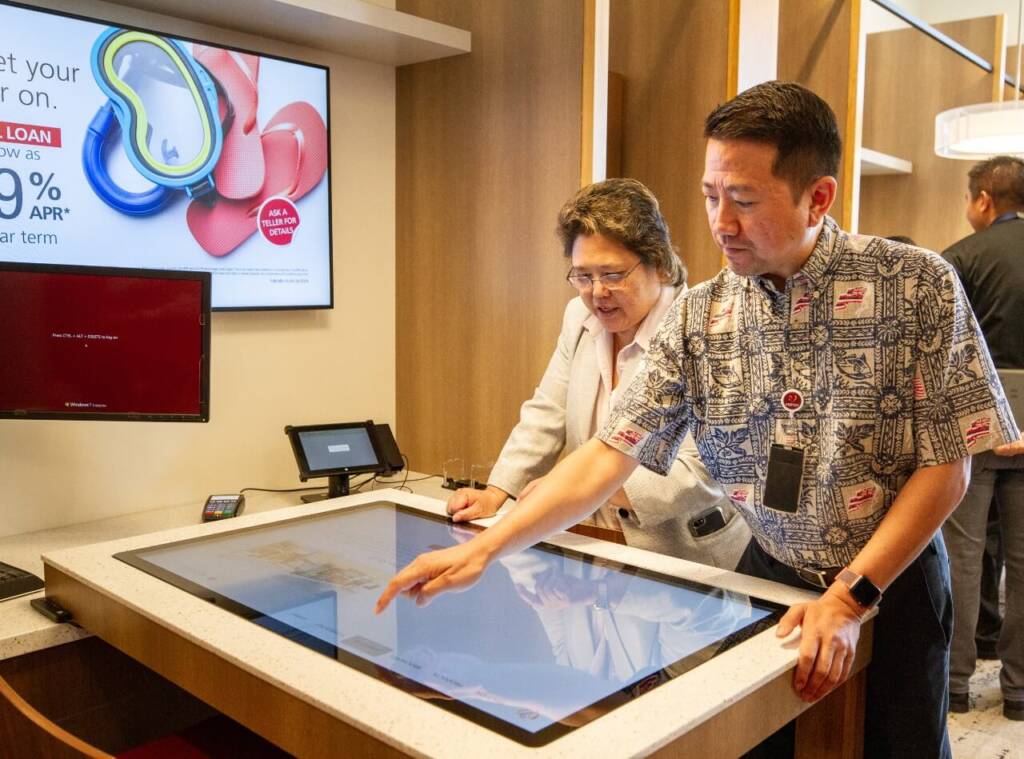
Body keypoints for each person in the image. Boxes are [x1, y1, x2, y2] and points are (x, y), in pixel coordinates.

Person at [377, 82, 1019, 758]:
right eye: (712, 196)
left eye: (743, 200)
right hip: (765, 572)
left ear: (818, 197)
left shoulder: (914, 283)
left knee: (898, 745)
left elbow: (949, 463)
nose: (721, 222)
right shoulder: (701, 313)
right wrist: (487, 545)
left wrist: (851, 596)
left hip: (890, 576)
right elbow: (610, 450)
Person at [446, 178, 749, 569]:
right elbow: (547, 411)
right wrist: (498, 490)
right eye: (583, 276)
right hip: (596, 541)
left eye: (612, 275)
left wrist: (581, 491)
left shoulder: (704, 328)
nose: (597, 293)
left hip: (685, 555)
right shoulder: (579, 316)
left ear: (658, 264)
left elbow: (703, 473)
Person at [941, 155, 1024, 721]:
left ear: (984, 201)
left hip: (972, 422)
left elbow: (937, 353)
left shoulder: (957, 259)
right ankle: (1020, 694)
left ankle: (953, 685)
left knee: (961, 559)